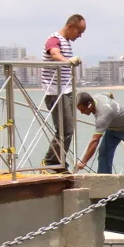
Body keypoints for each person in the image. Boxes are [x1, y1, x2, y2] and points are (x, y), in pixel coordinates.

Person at [41, 14, 85, 171]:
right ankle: (52, 162)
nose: (79, 36)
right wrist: (68, 61)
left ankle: (58, 161)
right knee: (65, 129)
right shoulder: (54, 39)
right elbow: (54, 53)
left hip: (65, 91)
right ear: (70, 26)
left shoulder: (66, 42)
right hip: (55, 92)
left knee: (68, 129)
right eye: (79, 31)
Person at [73, 91, 124, 176]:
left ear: (89, 104)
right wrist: (114, 110)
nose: (82, 113)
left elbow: (95, 141)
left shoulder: (103, 116)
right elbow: (109, 93)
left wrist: (83, 162)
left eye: (83, 110)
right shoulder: (98, 95)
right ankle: (104, 180)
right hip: (112, 129)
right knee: (103, 154)